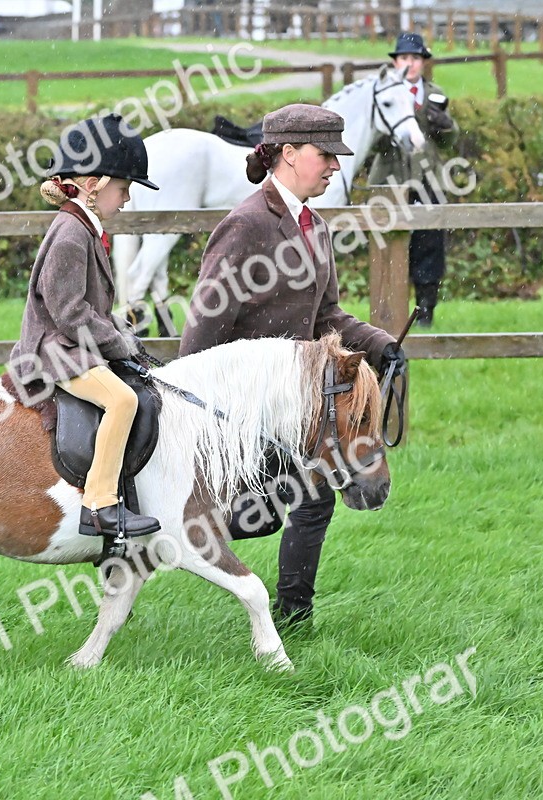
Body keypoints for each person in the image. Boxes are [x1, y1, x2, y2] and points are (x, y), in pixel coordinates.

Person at [179, 104, 407, 630]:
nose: (334, 166)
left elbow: (327, 316)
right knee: (247, 516)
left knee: (314, 497)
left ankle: (294, 616)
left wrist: (379, 344)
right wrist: (196, 409)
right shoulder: (246, 225)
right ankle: (152, 541)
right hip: (241, 407)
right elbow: (202, 329)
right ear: (288, 154)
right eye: (325, 155)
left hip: (292, 407)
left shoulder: (316, 226)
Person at [9, 113, 162, 538]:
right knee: (122, 401)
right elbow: (70, 312)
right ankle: (99, 505)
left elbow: (91, 307)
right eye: (124, 188)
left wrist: (124, 336)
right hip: (53, 353)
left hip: (71, 346)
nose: (127, 199)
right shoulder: (72, 234)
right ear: (94, 184)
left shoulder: (84, 230)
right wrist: (118, 343)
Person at [368, 32, 458, 328]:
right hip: (390, 181)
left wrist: (445, 126)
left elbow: (449, 143)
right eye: (404, 58)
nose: (410, 64)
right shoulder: (382, 93)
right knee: (389, 247)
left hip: (428, 179)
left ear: (423, 63)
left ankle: (425, 314)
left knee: (429, 246)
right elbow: (370, 142)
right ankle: (387, 314)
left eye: (415, 58)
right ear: (395, 63)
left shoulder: (436, 94)